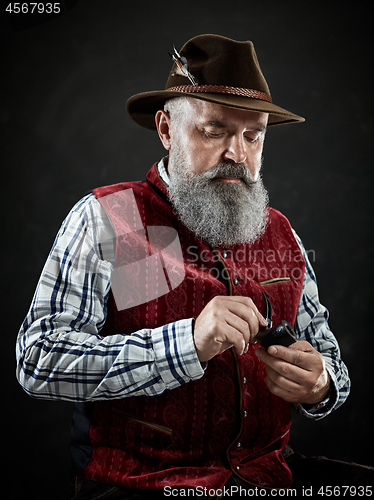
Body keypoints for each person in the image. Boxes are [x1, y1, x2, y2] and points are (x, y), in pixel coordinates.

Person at [16, 34, 372, 498]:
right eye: (215, 130)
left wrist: (320, 382)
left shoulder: (281, 233)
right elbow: (39, 361)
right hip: (148, 486)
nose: (237, 154)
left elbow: (332, 366)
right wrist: (187, 344)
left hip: (269, 478)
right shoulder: (114, 219)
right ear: (166, 129)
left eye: (253, 135)